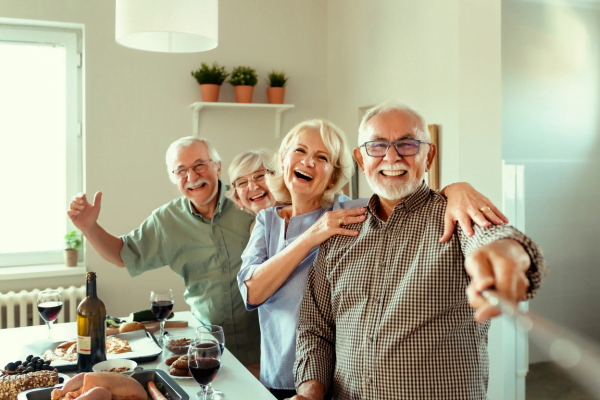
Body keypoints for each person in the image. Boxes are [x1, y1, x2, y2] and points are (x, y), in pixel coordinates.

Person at [237, 119, 509, 400]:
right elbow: (252, 292)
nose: (308, 162)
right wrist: (312, 236)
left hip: (340, 378)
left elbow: (405, 195)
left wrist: (456, 189)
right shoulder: (266, 221)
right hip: (282, 372)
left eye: (322, 157)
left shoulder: (352, 212)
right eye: (300, 151)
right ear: (283, 160)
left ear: (333, 174)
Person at [292, 103, 548, 400]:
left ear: (429, 156)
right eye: (377, 146)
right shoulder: (340, 233)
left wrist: (509, 256)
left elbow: (492, 238)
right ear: (361, 159)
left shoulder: (455, 215)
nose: (392, 156)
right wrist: (309, 393)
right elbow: (316, 329)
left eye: (408, 144)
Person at [66, 136, 261, 369]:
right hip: (209, 349)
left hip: (264, 345)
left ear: (217, 166)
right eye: (181, 171)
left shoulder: (250, 202)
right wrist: (89, 227)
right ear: (174, 178)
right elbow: (123, 254)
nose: (192, 177)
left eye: (199, 165)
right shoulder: (166, 220)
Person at [226, 148, 279, 216]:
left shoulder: (295, 217)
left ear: (277, 178)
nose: (252, 187)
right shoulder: (257, 226)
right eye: (242, 183)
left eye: (260, 176)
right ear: (237, 197)